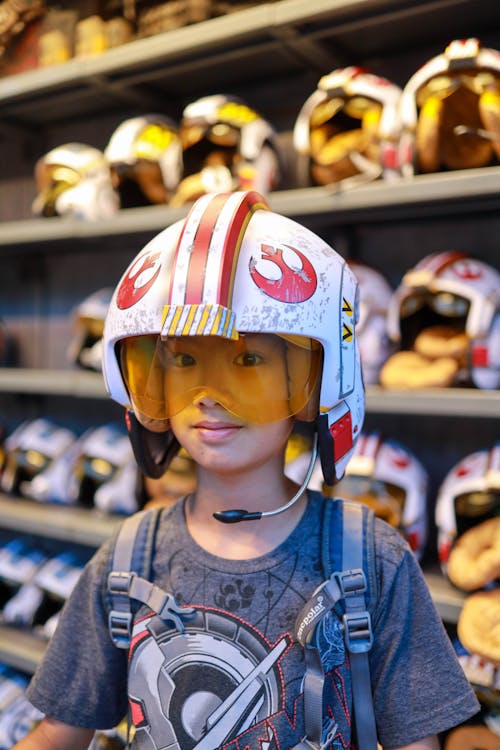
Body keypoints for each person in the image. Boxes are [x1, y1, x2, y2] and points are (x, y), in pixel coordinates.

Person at [15, 190, 478, 750]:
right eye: (184, 363)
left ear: (317, 383)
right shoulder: (127, 560)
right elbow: (57, 734)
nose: (210, 398)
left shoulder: (372, 559)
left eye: (249, 361)